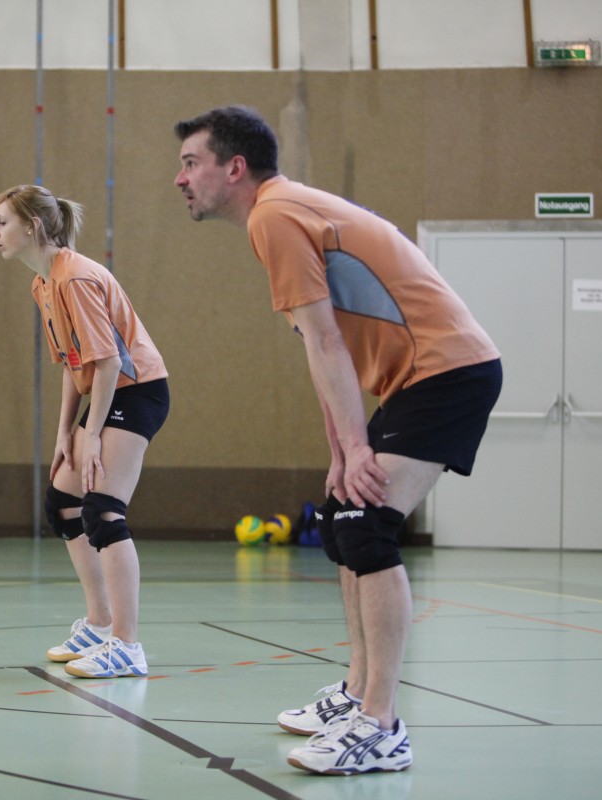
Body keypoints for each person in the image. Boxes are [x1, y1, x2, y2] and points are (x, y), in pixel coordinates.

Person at [173, 105, 501, 774]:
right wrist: (340, 450)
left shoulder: (274, 215)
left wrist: (357, 450)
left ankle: (381, 725)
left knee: (365, 522)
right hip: (418, 379)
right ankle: (357, 694)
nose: (179, 179)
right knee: (342, 517)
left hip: (449, 372)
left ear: (234, 168)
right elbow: (323, 349)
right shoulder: (277, 216)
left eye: (190, 163)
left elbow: (327, 342)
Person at [0, 185, 170, 679]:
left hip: (138, 390)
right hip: (109, 392)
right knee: (63, 502)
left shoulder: (76, 278)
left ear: (33, 227)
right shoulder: (44, 283)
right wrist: (64, 432)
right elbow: (76, 365)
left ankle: (126, 646)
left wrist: (92, 436)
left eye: (3, 222)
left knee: (103, 510)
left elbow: (108, 362)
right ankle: (99, 621)